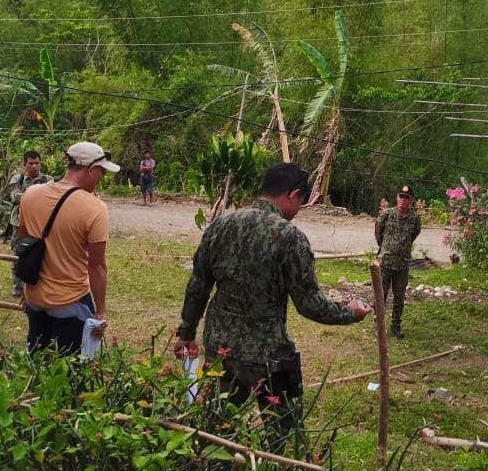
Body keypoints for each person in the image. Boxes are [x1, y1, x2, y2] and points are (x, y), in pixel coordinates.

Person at [176, 163, 372, 449]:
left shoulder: (220, 226)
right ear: (293, 195)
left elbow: (198, 286)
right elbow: (309, 304)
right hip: (269, 357)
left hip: (221, 349)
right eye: (301, 202)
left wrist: (187, 331)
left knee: (215, 432)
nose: (298, 210)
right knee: (285, 435)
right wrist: (349, 313)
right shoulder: (290, 238)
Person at [18, 141, 118, 358]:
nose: (101, 178)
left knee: (37, 362)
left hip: (34, 299)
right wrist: (100, 311)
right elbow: (97, 265)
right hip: (70, 303)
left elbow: (24, 244)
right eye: (101, 172)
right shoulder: (94, 208)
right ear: (91, 170)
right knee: (72, 370)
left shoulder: (31, 194)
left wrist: (27, 288)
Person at [375, 184, 422, 339]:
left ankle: (396, 325)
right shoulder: (387, 214)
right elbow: (378, 232)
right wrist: (385, 248)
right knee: (381, 295)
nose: (403, 200)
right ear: (397, 198)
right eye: (401, 197)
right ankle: (379, 325)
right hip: (386, 262)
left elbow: (414, 235)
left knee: (399, 296)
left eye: (406, 198)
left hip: (402, 264)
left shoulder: (414, 219)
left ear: (410, 201)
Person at [6, 151, 54, 298]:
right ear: (24, 164)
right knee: (18, 253)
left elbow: (51, 200)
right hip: (19, 223)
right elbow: (14, 197)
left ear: (41, 164)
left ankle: (42, 282)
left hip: (42, 224)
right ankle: (18, 285)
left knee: (45, 253)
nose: (34, 166)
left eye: (37, 163)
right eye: (30, 163)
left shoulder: (49, 180)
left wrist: (26, 195)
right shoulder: (17, 179)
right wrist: (38, 195)